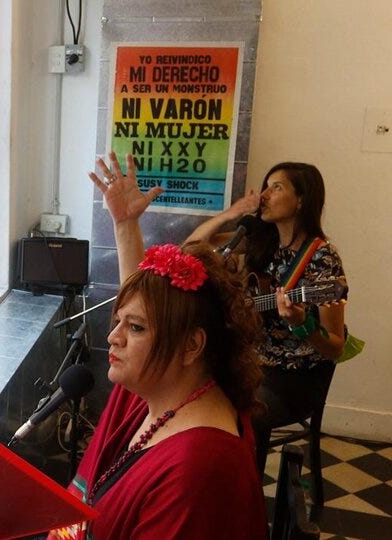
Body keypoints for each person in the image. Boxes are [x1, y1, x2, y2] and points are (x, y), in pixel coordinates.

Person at [47, 152, 267, 539]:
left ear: (192, 345)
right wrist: (126, 224)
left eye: (133, 329)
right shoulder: (164, 388)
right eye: (118, 323)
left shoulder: (200, 470)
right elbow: (153, 309)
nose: (114, 336)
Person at [186, 162, 347, 474]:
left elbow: (336, 347)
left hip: (295, 378)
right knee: (195, 392)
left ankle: (245, 497)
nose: (264, 195)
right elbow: (193, 249)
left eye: (277, 187)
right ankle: (206, 483)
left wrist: (302, 324)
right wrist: (233, 213)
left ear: (301, 200)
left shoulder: (323, 260)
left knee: (243, 411)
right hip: (255, 364)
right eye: (266, 186)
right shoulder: (264, 240)